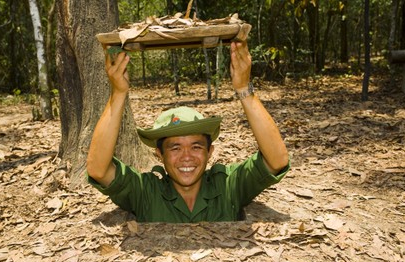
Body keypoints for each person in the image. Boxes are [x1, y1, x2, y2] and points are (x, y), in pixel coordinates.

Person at [86, 41, 290, 223]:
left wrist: (244, 89)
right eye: (175, 148)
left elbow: (276, 161)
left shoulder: (228, 187)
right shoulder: (146, 193)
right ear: (159, 155)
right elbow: (99, 170)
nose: (186, 157)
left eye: (196, 146)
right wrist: (118, 93)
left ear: (210, 152)